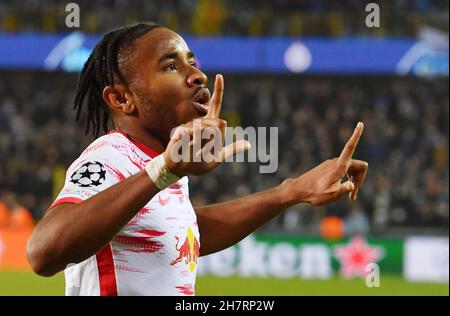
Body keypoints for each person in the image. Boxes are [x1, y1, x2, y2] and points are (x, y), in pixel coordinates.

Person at [26, 22, 368, 296]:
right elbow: (43, 252)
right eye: (171, 66)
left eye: (193, 62)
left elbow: (184, 232)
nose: (197, 75)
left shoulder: (161, 165)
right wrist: (164, 170)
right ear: (121, 98)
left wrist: (290, 192)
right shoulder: (111, 156)